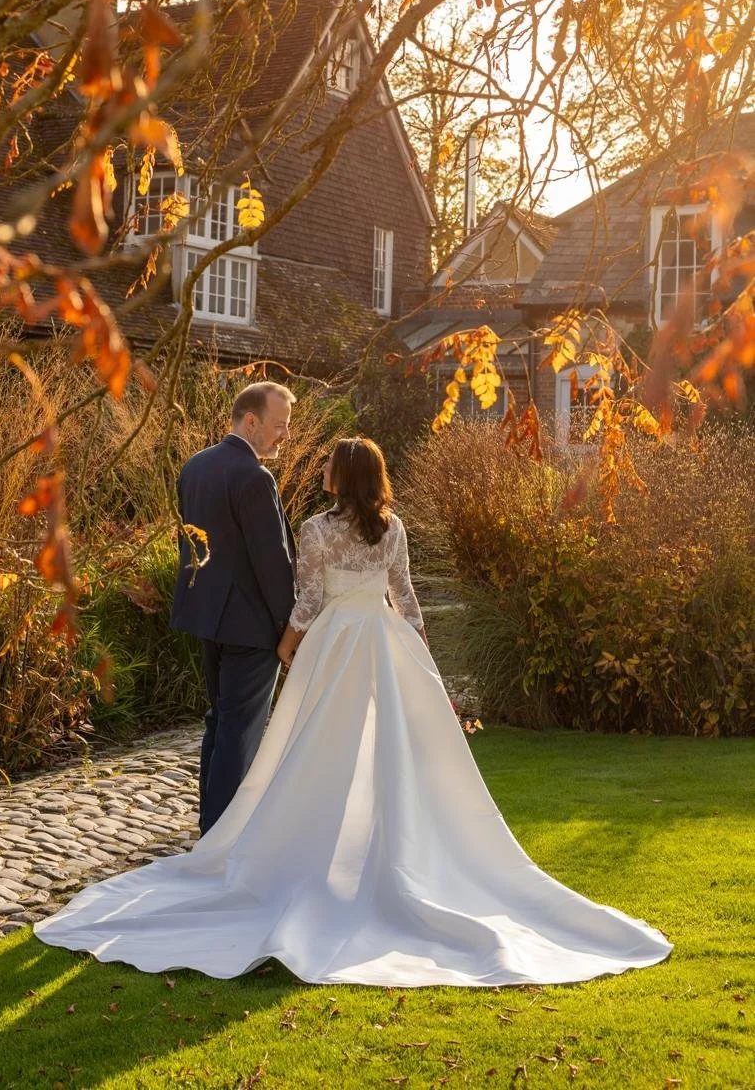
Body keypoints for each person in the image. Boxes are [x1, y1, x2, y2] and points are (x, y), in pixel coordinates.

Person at [36, 437, 671, 987]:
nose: (322, 475)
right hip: (383, 639)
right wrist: (419, 649)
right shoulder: (393, 527)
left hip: (337, 642)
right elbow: (406, 596)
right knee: (387, 748)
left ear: (343, 476)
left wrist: (286, 641)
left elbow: (309, 597)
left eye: (331, 467)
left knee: (317, 746)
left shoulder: (316, 528)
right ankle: (382, 854)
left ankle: (313, 848)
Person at [170, 381, 296, 834]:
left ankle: (211, 826)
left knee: (220, 722)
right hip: (251, 627)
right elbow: (273, 563)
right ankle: (221, 835)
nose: (285, 436)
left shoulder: (195, 466)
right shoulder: (254, 477)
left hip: (208, 617)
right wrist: (291, 629)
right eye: (279, 426)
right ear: (251, 421)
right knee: (239, 731)